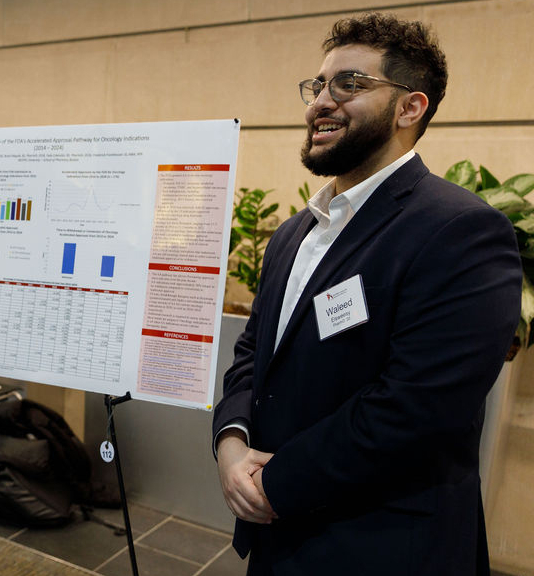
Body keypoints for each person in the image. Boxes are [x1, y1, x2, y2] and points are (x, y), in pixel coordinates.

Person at [211, 13, 521, 575]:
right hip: (277, 535)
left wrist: (272, 484)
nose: (320, 102)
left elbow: (415, 409)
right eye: (318, 86)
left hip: (380, 544)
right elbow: (253, 352)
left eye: (350, 85)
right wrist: (231, 444)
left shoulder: (462, 231)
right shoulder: (294, 232)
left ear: (410, 108)